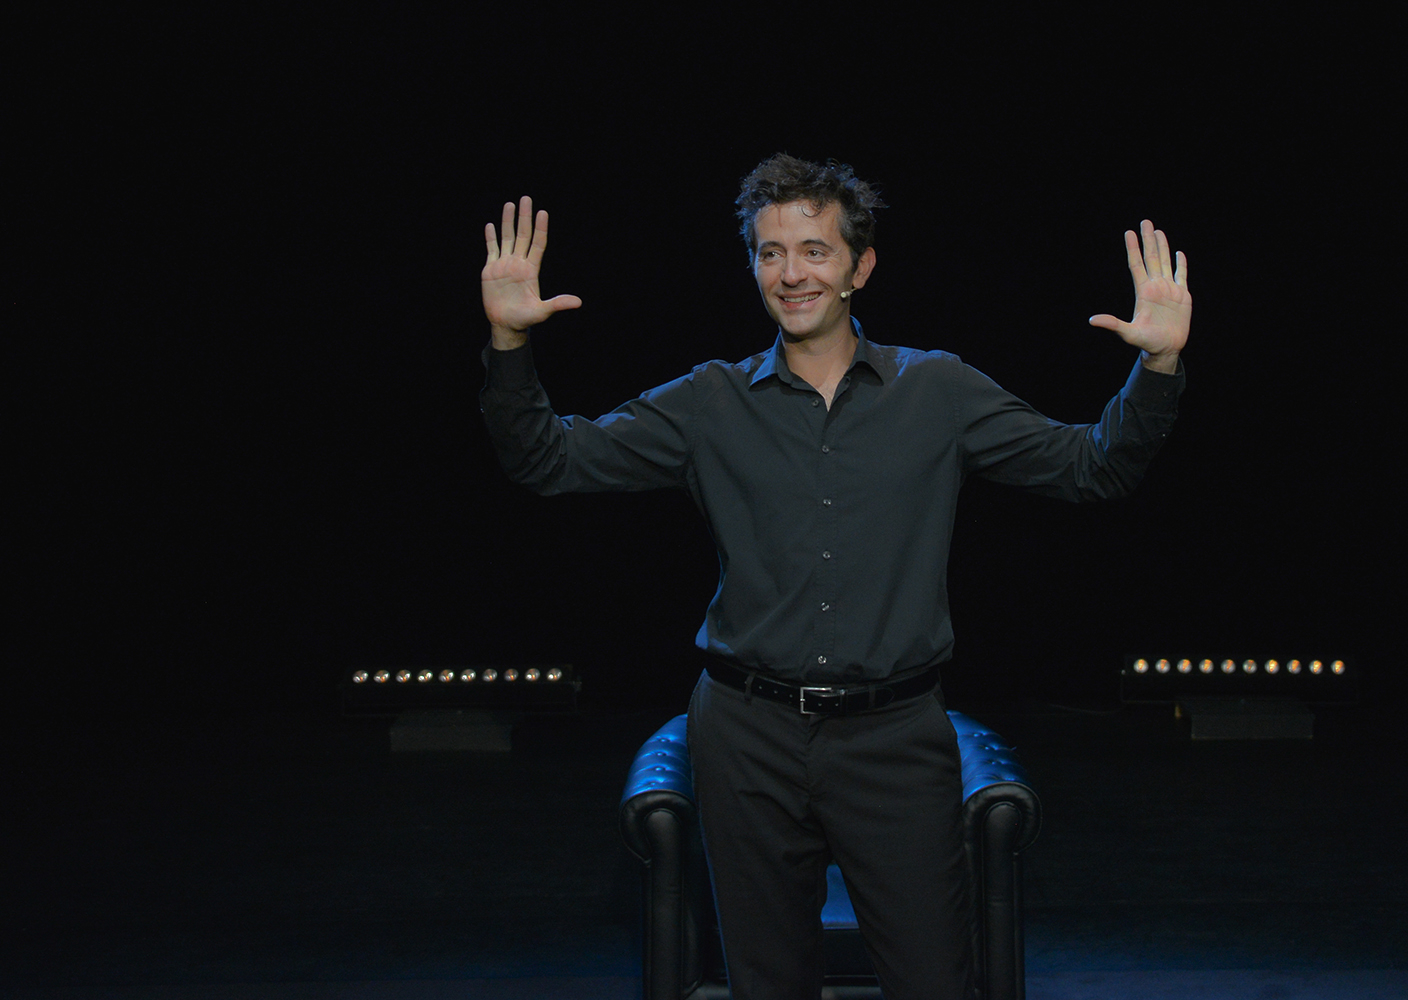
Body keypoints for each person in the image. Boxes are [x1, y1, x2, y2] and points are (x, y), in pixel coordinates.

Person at [478, 154, 1190, 1000]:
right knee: (769, 985)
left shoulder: (939, 391)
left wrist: (1158, 369)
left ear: (861, 267)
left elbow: (1093, 468)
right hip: (747, 736)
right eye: (770, 252)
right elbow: (550, 460)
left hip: (894, 737)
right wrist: (510, 342)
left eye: (815, 251)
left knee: (934, 981)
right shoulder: (710, 401)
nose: (791, 273)